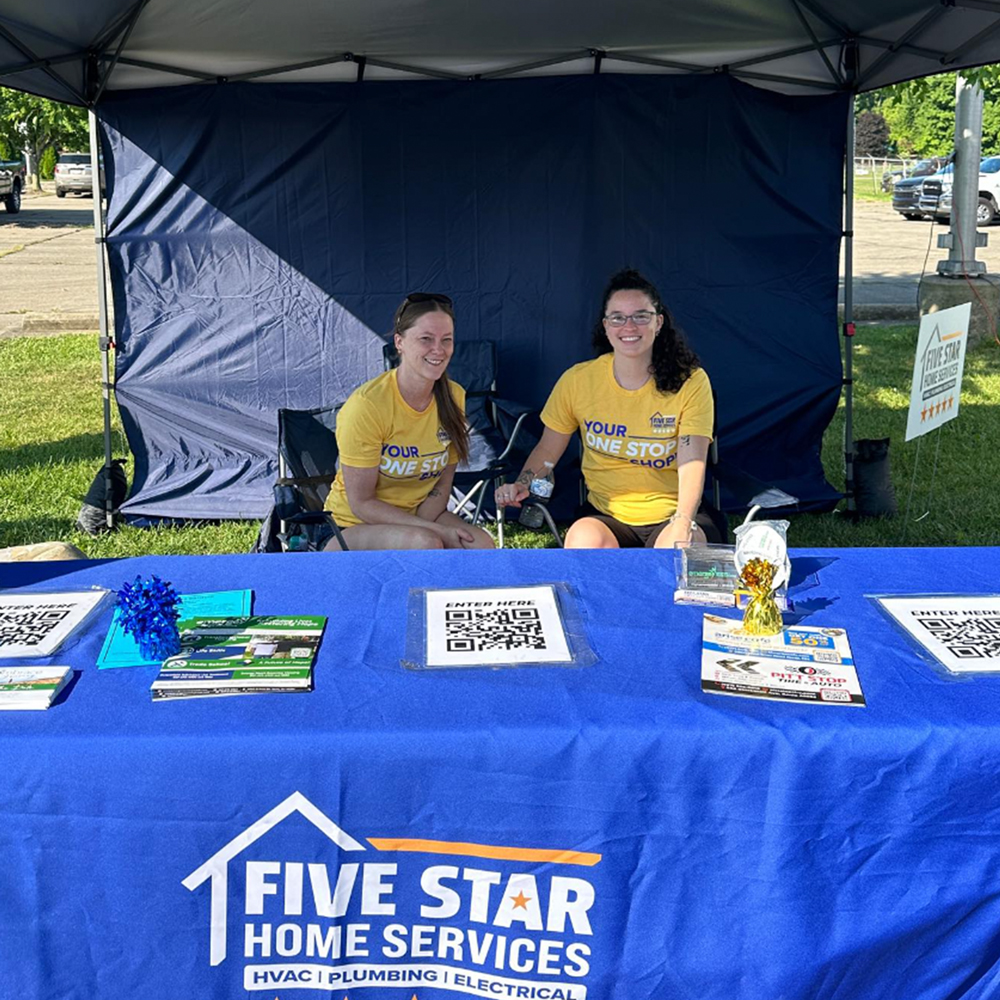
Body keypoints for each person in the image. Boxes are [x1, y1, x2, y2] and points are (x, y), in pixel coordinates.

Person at [496, 269, 714, 549]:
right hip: (606, 516)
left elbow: (692, 463)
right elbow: (548, 452)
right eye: (618, 318)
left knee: (676, 551)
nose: (629, 326)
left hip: (674, 514)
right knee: (582, 542)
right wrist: (524, 483)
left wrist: (683, 522)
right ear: (606, 325)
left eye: (641, 316)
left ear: (658, 322)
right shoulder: (578, 380)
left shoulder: (691, 381)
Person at [324, 293, 494, 551]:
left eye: (446, 340)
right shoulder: (368, 406)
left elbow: (442, 484)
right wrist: (432, 531)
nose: (438, 349)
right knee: (424, 544)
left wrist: (426, 525)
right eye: (426, 339)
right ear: (399, 342)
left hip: (419, 516)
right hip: (350, 525)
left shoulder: (454, 396)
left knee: (481, 544)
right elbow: (362, 504)